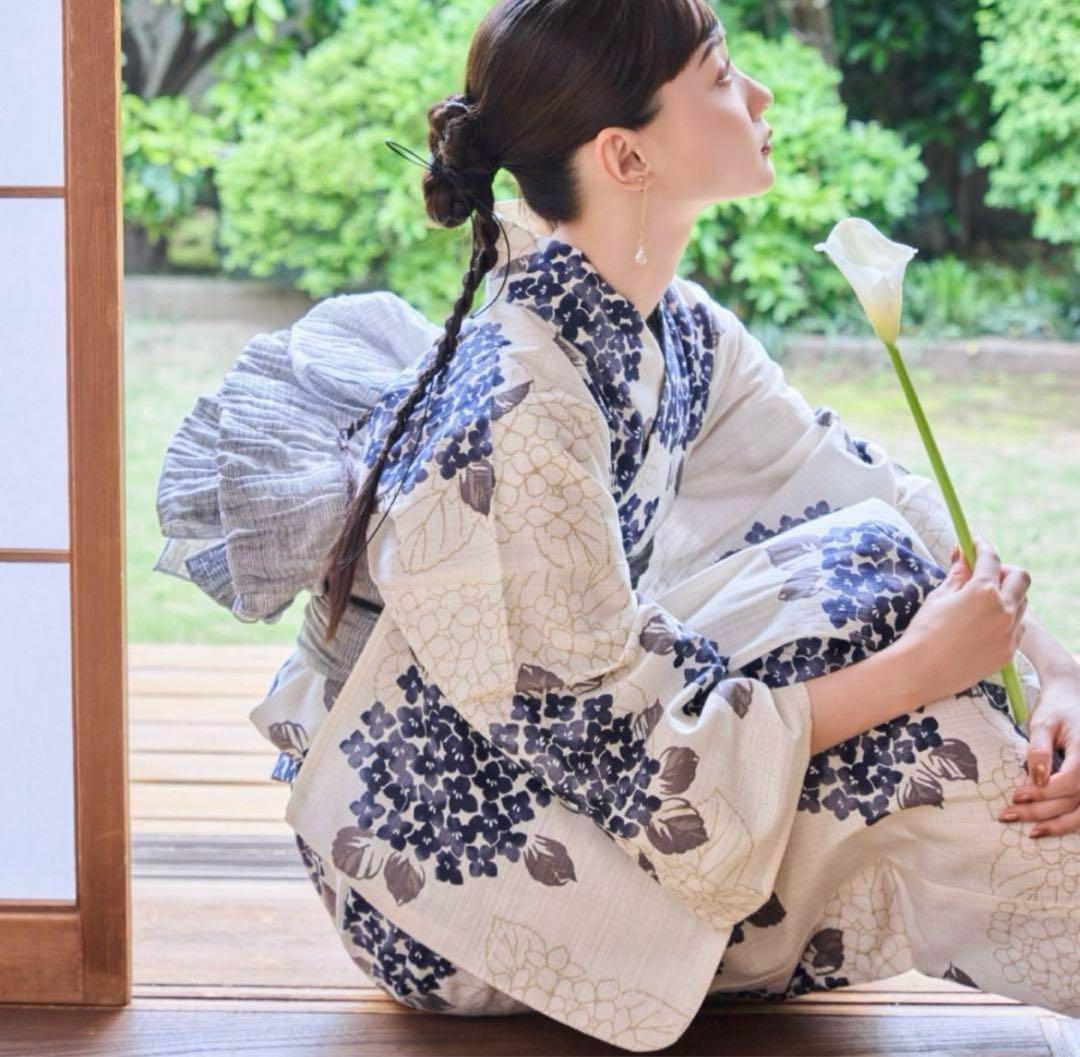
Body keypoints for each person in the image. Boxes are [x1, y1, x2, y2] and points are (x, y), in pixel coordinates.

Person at [153, 0, 1080, 1050]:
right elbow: (622, 755)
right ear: (626, 156)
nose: (760, 95)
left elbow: (859, 488)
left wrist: (1054, 670)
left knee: (880, 570)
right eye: (721, 76)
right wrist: (920, 671)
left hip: (597, 767)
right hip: (458, 876)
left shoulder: (670, 329)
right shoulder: (519, 408)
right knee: (931, 743)